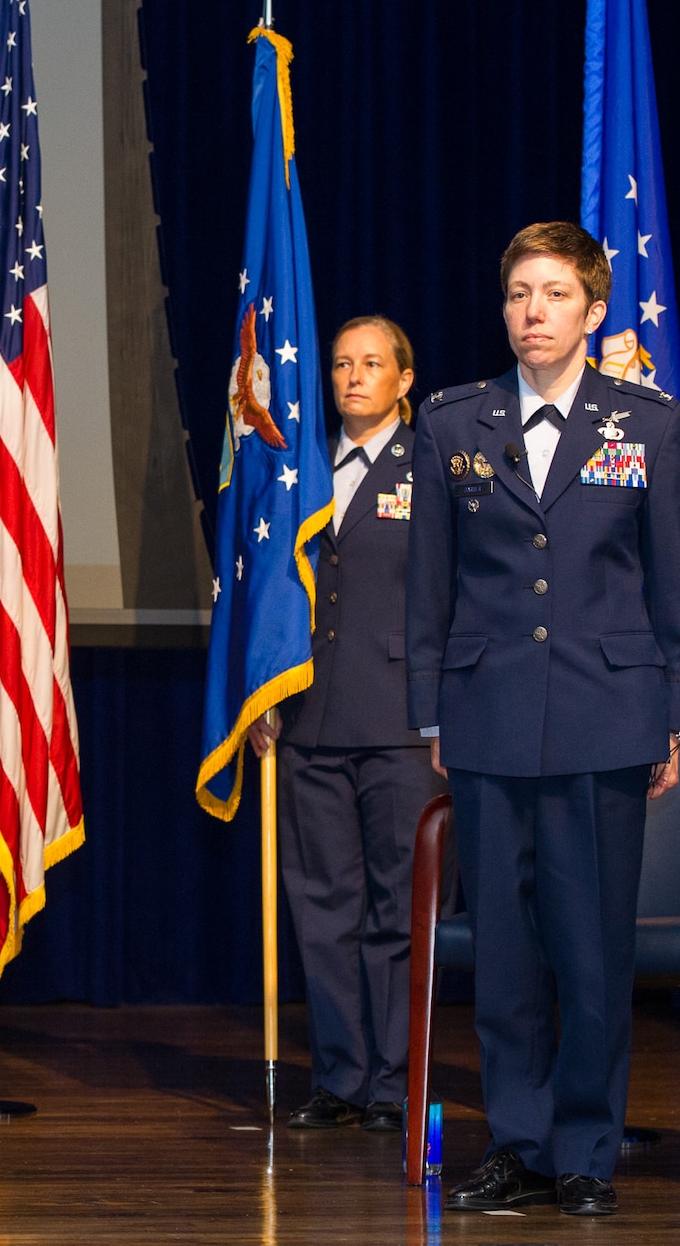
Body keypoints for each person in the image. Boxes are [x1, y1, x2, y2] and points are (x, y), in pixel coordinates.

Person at [405, 222, 680, 1217]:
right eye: (515, 295)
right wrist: (427, 707)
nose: (530, 313)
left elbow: (675, 582)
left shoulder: (644, 427)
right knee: (503, 952)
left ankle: (585, 1146)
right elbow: (428, 587)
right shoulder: (453, 423)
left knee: (588, 948)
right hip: (487, 712)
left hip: (604, 712)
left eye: (551, 295)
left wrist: (673, 710)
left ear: (590, 309)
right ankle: (520, 1142)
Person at [247, 316, 445, 1133]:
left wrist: (444, 711)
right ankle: (340, 1074)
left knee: (399, 909)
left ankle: (399, 1079)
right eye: (339, 364)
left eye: (371, 364)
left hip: (404, 720)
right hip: (312, 717)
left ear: (405, 379)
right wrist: (263, 691)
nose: (352, 377)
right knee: (322, 905)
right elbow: (268, 587)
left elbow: (453, 594)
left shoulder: (432, 463)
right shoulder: (297, 469)